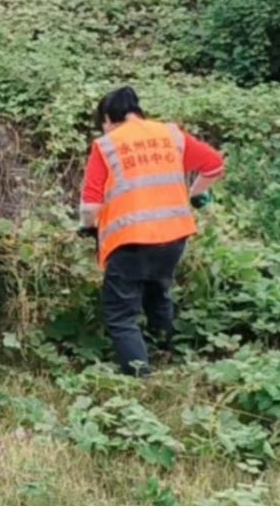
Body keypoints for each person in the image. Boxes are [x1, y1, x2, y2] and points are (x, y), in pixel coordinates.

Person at [78, 86, 225, 377]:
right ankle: (168, 351)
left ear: (108, 118)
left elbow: (91, 205)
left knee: (120, 315)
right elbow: (214, 165)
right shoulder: (170, 135)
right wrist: (194, 196)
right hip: (174, 235)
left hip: (130, 240)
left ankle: (140, 378)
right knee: (158, 294)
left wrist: (87, 227)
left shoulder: (106, 145)